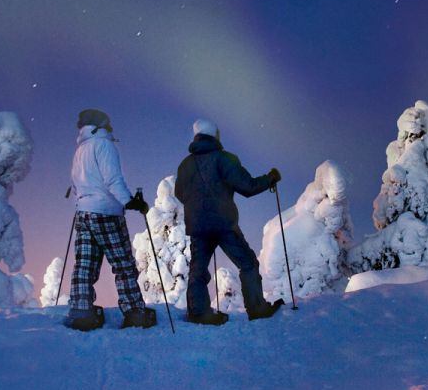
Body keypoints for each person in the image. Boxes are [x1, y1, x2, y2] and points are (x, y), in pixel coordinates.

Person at [174, 119, 284, 325]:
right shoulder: (225, 159)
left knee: (197, 270)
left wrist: (197, 206)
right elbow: (247, 186)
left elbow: (179, 193)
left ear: (196, 136)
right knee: (248, 263)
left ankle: (199, 312)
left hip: (198, 226)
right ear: (215, 136)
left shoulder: (185, 164)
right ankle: (257, 309)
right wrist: (270, 179)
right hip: (224, 223)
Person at [64, 108, 157, 331]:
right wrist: (131, 202)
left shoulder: (80, 150)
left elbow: (75, 186)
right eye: (107, 122)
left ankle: (81, 311)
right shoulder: (104, 145)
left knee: (85, 264)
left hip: (84, 213)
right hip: (107, 212)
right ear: (100, 125)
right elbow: (112, 179)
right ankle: (135, 312)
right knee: (123, 264)